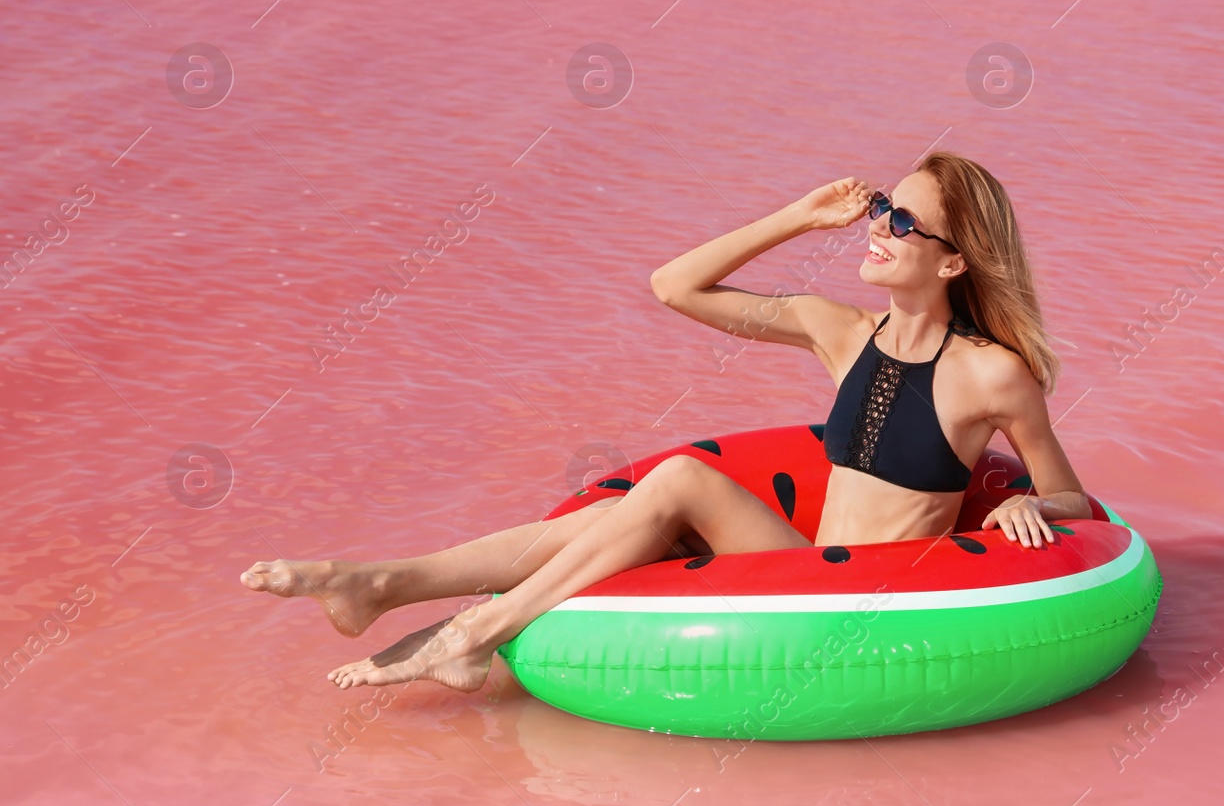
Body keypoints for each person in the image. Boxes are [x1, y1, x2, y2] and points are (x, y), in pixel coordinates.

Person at [239, 151, 1089, 692]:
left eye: (902, 222)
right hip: (795, 565)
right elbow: (674, 285)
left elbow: (1077, 503)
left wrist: (1031, 506)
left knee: (679, 478)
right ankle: (385, 583)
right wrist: (798, 215)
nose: (878, 229)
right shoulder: (842, 332)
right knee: (618, 513)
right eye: (880, 211)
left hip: (859, 597)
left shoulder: (992, 372)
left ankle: (477, 631)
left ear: (951, 259)